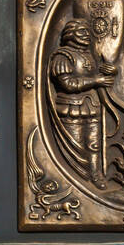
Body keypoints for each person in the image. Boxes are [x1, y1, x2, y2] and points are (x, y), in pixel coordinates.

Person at [48, 19, 116, 189]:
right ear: (70, 34)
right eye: (81, 32)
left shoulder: (89, 54)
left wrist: (108, 71)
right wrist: (95, 80)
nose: (87, 35)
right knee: (76, 144)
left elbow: (93, 72)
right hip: (71, 106)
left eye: (87, 32)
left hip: (91, 105)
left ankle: (95, 174)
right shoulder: (63, 56)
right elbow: (68, 84)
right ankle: (76, 177)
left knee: (94, 144)